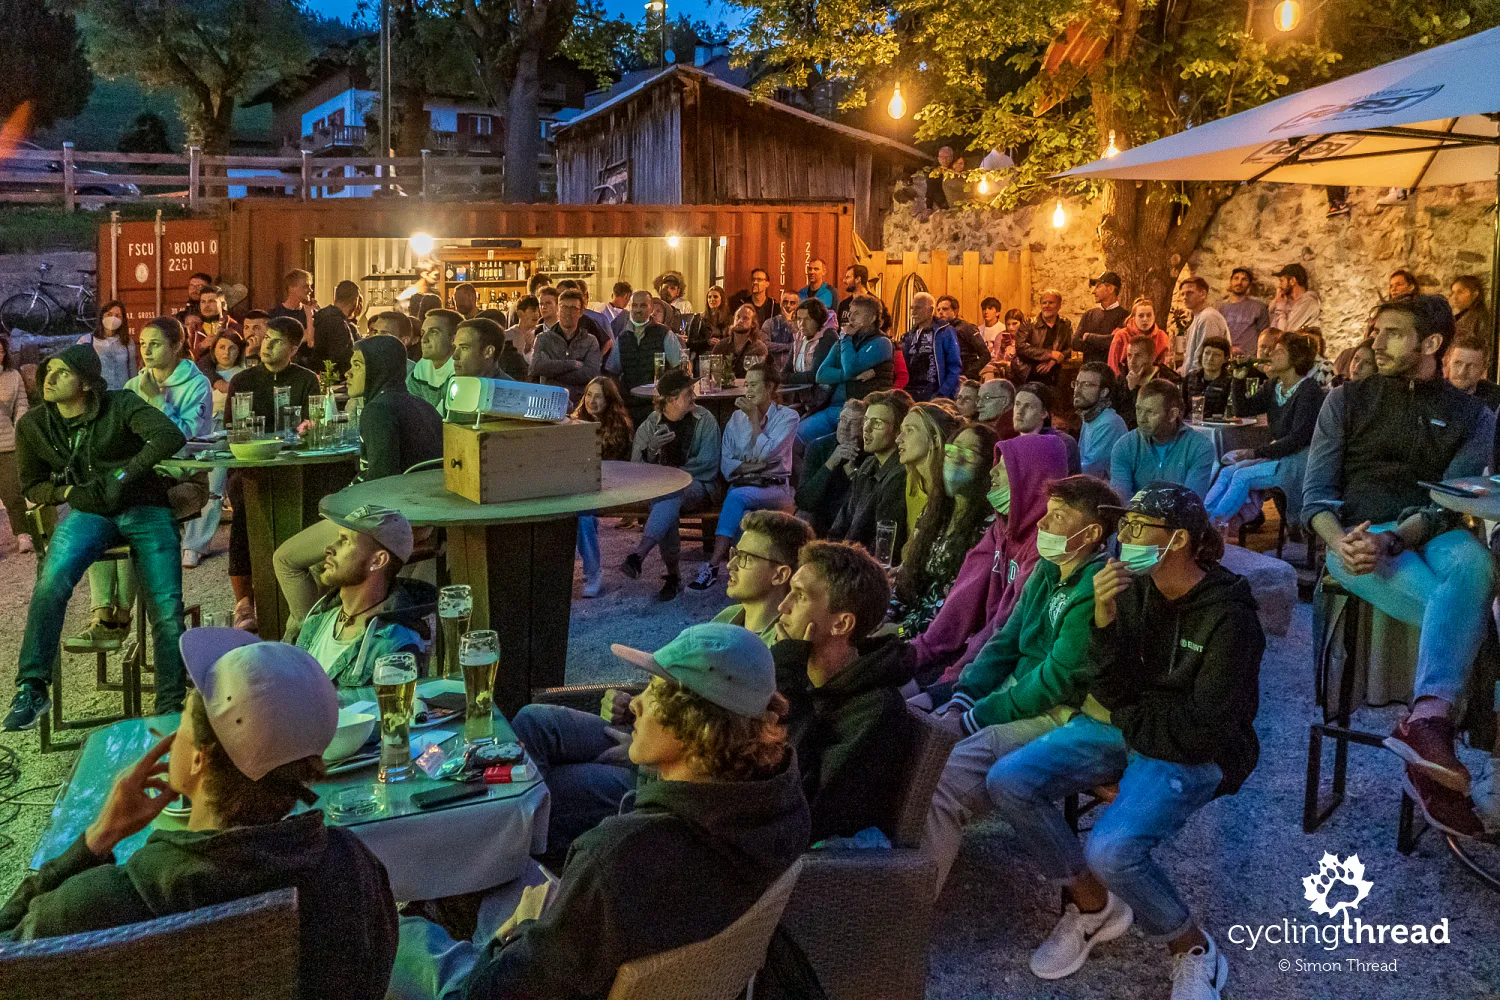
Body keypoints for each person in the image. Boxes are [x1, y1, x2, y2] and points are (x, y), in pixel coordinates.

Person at [410, 623, 808, 1000]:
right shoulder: (782, 807)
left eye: (653, 690)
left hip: (529, 975)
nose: (636, 702)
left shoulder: (616, 855)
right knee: (500, 864)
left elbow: (498, 990)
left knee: (400, 932)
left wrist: (509, 938)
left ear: (692, 723)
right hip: (621, 941)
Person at [0, 637, 399, 999]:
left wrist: (97, 839)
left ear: (198, 758)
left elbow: (8, 959)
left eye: (183, 718)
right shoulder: (354, 869)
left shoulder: (93, 907)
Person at [988, 484, 1262, 999]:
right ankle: (1092, 905)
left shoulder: (1230, 618)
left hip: (1195, 749)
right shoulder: (1133, 592)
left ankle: (1192, 947)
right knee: (1009, 780)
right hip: (1131, 727)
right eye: (1125, 525)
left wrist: (1133, 757)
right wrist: (1103, 621)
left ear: (1179, 539)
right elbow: (1109, 687)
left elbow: (1204, 726)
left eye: (1138, 527)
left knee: (1112, 849)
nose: (1124, 537)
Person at [1302, 296, 1495, 832]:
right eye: (1376, 331)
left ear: (1430, 344)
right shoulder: (1345, 401)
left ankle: (1425, 724)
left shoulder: (1474, 416)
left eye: (1392, 333)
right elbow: (1315, 498)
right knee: (1471, 613)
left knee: (1478, 566)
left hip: (1428, 532)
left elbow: (1449, 503)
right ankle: (1437, 742)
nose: (1375, 342)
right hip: (1356, 536)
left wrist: (1397, 539)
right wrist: (1342, 542)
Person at [922, 474, 1119, 891]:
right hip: (1013, 693)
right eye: (1047, 513)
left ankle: (910, 905)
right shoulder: (1049, 568)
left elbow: (1055, 681)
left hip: (1056, 714)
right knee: (919, 741)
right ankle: (897, 862)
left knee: (942, 780)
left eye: (1059, 517)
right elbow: (1005, 639)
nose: (1042, 524)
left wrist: (974, 719)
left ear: (1092, 534)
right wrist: (964, 697)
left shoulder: (1093, 587)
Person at [7, 346, 188, 730]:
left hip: (144, 505)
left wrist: (121, 476)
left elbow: (169, 435)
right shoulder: (34, 425)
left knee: (167, 607)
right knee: (51, 581)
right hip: (90, 511)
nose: (49, 378)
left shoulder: (120, 404)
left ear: (87, 383)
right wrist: (68, 493)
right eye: (48, 371)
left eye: (62, 372)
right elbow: (33, 485)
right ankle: (32, 687)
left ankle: (169, 707)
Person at [273, 336, 442, 639]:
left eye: (357, 365)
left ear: (378, 368)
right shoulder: (424, 406)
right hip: (424, 518)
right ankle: (306, 634)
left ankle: (312, 638)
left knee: (285, 560)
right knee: (319, 567)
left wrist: (337, 503)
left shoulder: (378, 410)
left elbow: (380, 482)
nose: (348, 373)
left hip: (385, 523)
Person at [773, 539, 916, 841]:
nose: (782, 606)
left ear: (841, 624)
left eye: (800, 596)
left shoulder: (876, 710)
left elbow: (807, 807)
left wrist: (787, 683)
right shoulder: (810, 683)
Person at [909, 434, 1070, 693]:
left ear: (1030, 479)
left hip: (1008, 675)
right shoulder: (1000, 529)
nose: (992, 473)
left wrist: (951, 679)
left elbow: (1006, 629)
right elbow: (962, 600)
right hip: (973, 659)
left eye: (1005, 468)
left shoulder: (1046, 546)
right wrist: (917, 652)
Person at [222, 318, 321, 630]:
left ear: (293, 348)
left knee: (309, 508)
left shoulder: (306, 380)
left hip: (294, 466)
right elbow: (230, 428)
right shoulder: (243, 381)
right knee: (243, 514)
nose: (267, 345)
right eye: (266, 338)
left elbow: (313, 423)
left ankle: (304, 597)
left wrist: (307, 428)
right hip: (251, 466)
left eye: (277, 341)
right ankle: (244, 603)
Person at [295, 505, 432, 686]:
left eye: (345, 541)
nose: (329, 548)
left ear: (378, 560)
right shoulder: (318, 619)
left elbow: (394, 704)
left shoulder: (394, 645)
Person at [690, 364, 798, 591]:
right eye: (746, 384)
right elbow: (727, 464)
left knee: (736, 498)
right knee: (742, 514)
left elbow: (765, 454)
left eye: (754, 385)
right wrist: (756, 466)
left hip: (775, 487)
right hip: (743, 485)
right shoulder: (736, 419)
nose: (748, 390)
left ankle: (713, 565)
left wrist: (754, 419)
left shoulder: (788, 417)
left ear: (770, 387)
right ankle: (748, 579)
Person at [1204, 331, 1326, 531]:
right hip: (1278, 455)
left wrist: (1255, 453)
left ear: (1295, 357)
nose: (1270, 354)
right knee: (1226, 472)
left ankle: (1212, 528)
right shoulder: (1274, 386)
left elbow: (1297, 439)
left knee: (1242, 477)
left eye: (1279, 351)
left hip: (1298, 460)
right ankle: (1201, 520)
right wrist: (1238, 380)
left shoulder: (1308, 391)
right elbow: (1244, 410)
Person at [892, 422, 1000, 637]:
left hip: (936, 637)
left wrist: (899, 631)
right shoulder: (935, 511)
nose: (957, 459)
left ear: (988, 466)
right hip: (905, 623)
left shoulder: (989, 527)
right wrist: (884, 616)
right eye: (952, 450)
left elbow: (955, 608)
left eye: (970, 454)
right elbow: (906, 582)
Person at [623, 370, 722, 601]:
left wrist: (671, 477)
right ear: (670, 399)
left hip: (699, 486)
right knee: (668, 499)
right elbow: (636, 468)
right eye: (688, 394)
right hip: (663, 491)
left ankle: (653, 562)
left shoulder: (704, 419)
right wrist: (652, 450)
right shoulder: (650, 425)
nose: (694, 397)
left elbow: (708, 463)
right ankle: (651, 564)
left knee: (668, 494)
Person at [125, 317, 215, 569]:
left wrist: (157, 400)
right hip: (140, 475)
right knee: (101, 511)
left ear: (176, 345)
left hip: (184, 477)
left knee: (136, 515)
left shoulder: (197, 384)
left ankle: (157, 586)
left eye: (155, 344)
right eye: (142, 343)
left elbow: (185, 438)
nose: (146, 350)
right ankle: (111, 596)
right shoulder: (133, 385)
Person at [799, 295, 895, 443]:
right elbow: (821, 374)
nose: (851, 318)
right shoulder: (843, 340)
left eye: (857, 313)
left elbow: (850, 367)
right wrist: (851, 376)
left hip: (861, 412)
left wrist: (847, 338)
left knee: (818, 445)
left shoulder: (882, 343)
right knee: (796, 437)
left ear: (872, 318)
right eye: (850, 313)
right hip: (832, 407)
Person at [828, 390, 911, 558]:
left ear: (898, 431)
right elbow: (843, 521)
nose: (866, 428)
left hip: (864, 564)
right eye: (866, 420)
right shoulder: (868, 464)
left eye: (877, 423)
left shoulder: (900, 474)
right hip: (846, 556)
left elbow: (883, 545)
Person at [572, 378, 633, 598]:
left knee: (584, 516)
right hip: (580, 483)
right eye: (589, 395)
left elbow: (612, 466)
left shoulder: (619, 426)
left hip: (611, 483)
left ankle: (593, 572)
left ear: (608, 399)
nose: (592, 401)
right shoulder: (575, 422)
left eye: (598, 396)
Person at [1110, 380, 1215, 502]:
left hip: (1179, 514)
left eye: (1150, 412)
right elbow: (1121, 501)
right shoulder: (1124, 446)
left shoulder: (1199, 447)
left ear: (1172, 414)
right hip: (1134, 514)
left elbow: (1191, 503)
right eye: (1138, 409)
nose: (1141, 419)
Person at [715, 510, 811, 643]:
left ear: (779, 575)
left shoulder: (787, 642)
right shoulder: (726, 618)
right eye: (735, 553)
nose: (730, 565)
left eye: (746, 558)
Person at [896, 401, 962, 559]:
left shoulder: (953, 489)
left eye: (909, 431)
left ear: (935, 439)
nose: (898, 439)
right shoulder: (911, 481)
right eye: (901, 431)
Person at [606, 290, 678, 427]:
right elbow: (612, 372)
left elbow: (679, 367)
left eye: (643, 305)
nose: (638, 310)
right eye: (635, 305)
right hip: (629, 406)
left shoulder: (664, 334)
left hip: (657, 406)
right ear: (630, 307)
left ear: (651, 308)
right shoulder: (622, 337)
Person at [796, 398, 865, 537]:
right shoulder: (818, 447)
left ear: (864, 428)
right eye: (843, 420)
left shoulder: (869, 452)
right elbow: (803, 500)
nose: (845, 427)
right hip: (821, 516)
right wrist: (830, 463)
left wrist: (852, 470)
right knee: (804, 517)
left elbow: (863, 503)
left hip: (852, 518)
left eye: (853, 423)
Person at [531, 289, 602, 406]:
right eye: (564, 307)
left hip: (580, 405)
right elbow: (536, 367)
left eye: (573, 308)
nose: (568, 312)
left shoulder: (590, 341)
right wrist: (571, 364)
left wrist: (551, 373)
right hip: (549, 403)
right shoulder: (543, 339)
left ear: (581, 312)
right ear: (558, 309)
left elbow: (590, 374)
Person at [899, 292, 962, 402]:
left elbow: (954, 366)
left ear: (930, 310)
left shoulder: (945, 332)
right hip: (911, 393)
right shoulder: (909, 336)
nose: (913, 312)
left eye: (918, 308)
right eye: (912, 308)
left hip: (934, 392)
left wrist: (943, 394)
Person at [0, 335, 31, 553]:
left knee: (13, 494)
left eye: (0, 352)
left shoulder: (13, 376)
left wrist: (19, 431)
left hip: (7, 443)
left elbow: (21, 406)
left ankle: (23, 534)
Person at [1114, 334, 1181, 431]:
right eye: (1129, 355)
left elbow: (1155, 416)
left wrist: (1135, 389)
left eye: (1138, 356)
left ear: (1152, 357)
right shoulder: (1122, 379)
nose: (1132, 361)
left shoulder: (1169, 379)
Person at [783, 298, 839, 412]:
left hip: (822, 402)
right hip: (801, 400)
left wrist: (785, 378)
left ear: (818, 320)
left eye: (807, 319)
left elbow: (814, 376)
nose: (802, 324)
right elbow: (787, 369)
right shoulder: (799, 337)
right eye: (799, 319)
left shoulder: (828, 337)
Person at [1013, 382, 1081, 475]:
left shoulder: (1062, 444)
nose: (1019, 411)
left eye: (1028, 406)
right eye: (1017, 404)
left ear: (1044, 413)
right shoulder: (1010, 447)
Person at [1073, 362, 1127, 479]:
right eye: (1077, 384)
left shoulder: (1109, 423)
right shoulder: (1090, 417)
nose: (1078, 390)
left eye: (1086, 385)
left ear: (1103, 392)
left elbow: (1090, 471)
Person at [301, 279, 361, 378]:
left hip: (318, 375)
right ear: (355, 300)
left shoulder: (320, 317)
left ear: (335, 297)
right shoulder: (338, 324)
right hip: (333, 379)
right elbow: (341, 359)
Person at [1175, 277, 1231, 378]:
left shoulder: (1208, 318)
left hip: (1204, 381)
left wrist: (1192, 380)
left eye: (1190, 293)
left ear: (1203, 294)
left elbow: (1204, 358)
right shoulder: (1199, 317)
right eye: (1182, 294)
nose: (1185, 297)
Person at [406, 308, 459, 415]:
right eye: (423, 333)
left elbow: (449, 417)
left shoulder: (459, 368)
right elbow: (408, 405)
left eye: (433, 332)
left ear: (454, 339)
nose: (424, 339)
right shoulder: (424, 365)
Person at [1016, 289, 1072, 386]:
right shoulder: (1029, 323)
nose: (1047, 306)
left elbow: (1069, 348)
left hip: (1056, 375)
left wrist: (1054, 360)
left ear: (1059, 305)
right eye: (1044, 303)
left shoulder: (1065, 324)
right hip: (1030, 374)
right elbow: (1020, 347)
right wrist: (1050, 354)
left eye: (1051, 303)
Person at [1072, 271, 1128, 368]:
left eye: (1098, 286)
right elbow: (1075, 343)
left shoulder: (1126, 316)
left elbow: (1115, 342)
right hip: (1089, 371)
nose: (1093, 292)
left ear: (1110, 289)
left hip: (1111, 373)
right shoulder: (1088, 315)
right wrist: (1103, 345)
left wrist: (1088, 337)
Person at [81, 300, 138, 391]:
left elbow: (133, 373)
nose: (113, 318)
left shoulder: (128, 343)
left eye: (118, 316)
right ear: (102, 316)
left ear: (123, 320)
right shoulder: (87, 341)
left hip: (122, 394)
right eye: (109, 314)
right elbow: (80, 372)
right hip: (99, 394)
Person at [1106, 297, 1170, 376]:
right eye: (1141, 316)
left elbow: (1165, 366)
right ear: (1133, 317)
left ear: (1154, 316)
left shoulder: (1161, 336)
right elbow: (1112, 365)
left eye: (1149, 315)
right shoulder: (1121, 335)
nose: (1145, 319)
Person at [935, 295, 990, 381]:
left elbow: (985, 355)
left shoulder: (966, 328)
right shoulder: (939, 331)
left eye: (945, 309)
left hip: (965, 380)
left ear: (955, 311)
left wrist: (968, 375)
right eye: (938, 310)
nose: (940, 312)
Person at [1218, 267, 1270, 358]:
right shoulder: (1222, 308)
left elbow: (1264, 335)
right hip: (1226, 357)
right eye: (1236, 278)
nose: (1239, 282)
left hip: (1250, 359)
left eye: (1244, 279)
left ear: (1249, 284)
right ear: (1231, 281)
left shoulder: (1259, 307)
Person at [710, 304, 770, 380]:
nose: (740, 321)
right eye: (737, 317)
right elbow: (711, 374)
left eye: (745, 318)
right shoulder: (721, 346)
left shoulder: (759, 348)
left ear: (752, 324)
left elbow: (762, 377)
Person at [1181, 335, 1234, 420]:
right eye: (1207, 353)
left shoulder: (1230, 381)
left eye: (1216, 355)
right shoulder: (1190, 378)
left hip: (1218, 424)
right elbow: (1182, 405)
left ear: (1225, 359)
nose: (1210, 358)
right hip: (1191, 423)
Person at [1444, 334, 1500, 410]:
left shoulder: (1496, 399)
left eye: (1471, 366)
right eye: (1457, 363)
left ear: (1484, 369)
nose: (1461, 372)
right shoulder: (1432, 394)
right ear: (1448, 362)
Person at [836, 264, 892, 333]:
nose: (844, 280)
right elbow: (838, 329)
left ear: (858, 279)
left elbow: (885, 326)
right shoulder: (844, 305)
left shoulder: (875, 304)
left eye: (848, 277)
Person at [1269, 262, 1320, 333]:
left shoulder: (1308, 303)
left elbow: (1285, 334)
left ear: (1292, 281)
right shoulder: (1286, 301)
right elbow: (1272, 329)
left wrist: (1280, 308)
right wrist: (1276, 301)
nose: (1279, 286)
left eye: (1282, 281)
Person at [684, 285, 731, 356]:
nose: (712, 299)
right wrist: (707, 342)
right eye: (709, 297)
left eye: (715, 297)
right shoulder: (698, 318)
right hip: (704, 355)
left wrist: (721, 343)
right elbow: (689, 343)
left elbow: (732, 341)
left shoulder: (729, 319)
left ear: (722, 299)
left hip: (722, 355)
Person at [268, 268, 318, 333]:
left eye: (310, 286)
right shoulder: (274, 315)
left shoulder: (313, 313)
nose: (311, 290)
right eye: (306, 286)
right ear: (291, 288)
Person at [761, 289, 801, 368]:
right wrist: (788, 346)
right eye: (785, 302)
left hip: (793, 369)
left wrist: (788, 322)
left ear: (798, 306)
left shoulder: (801, 324)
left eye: (792, 303)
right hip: (772, 369)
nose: (788, 305)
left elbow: (799, 345)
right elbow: (764, 345)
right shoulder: (769, 323)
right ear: (780, 304)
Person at [502, 296, 540, 379]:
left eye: (538, 310)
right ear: (520, 314)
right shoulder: (507, 336)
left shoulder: (541, 333)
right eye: (533, 310)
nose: (537, 314)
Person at [1450, 274, 1490, 344]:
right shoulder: (1464, 315)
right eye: (1453, 292)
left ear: (1475, 294)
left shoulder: (1478, 317)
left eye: (1460, 292)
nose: (1454, 297)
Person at [977, 296, 1007, 360]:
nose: (986, 312)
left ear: (997, 313)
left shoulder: (1003, 329)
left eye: (990, 308)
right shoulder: (978, 330)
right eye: (984, 309)